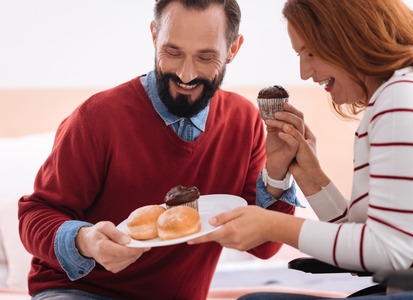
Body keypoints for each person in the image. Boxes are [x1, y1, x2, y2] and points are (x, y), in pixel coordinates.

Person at [17, 0, 299, 299]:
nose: (186, 75)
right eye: (172, 52)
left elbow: (265, 247)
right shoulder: (96, 118)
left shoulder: (245, 122)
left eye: (205, 57)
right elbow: (35, 215)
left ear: (233, 49)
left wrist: (279, 173)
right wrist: (86, 240)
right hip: (79, 291)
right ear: (154, 36)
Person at [189, 0, 413, 299]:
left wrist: (273, 225)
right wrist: (310, 175)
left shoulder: (404, 98)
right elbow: (366, 243)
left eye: (310, 52)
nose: (304, 73)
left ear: (352, 37)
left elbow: (387, 251)